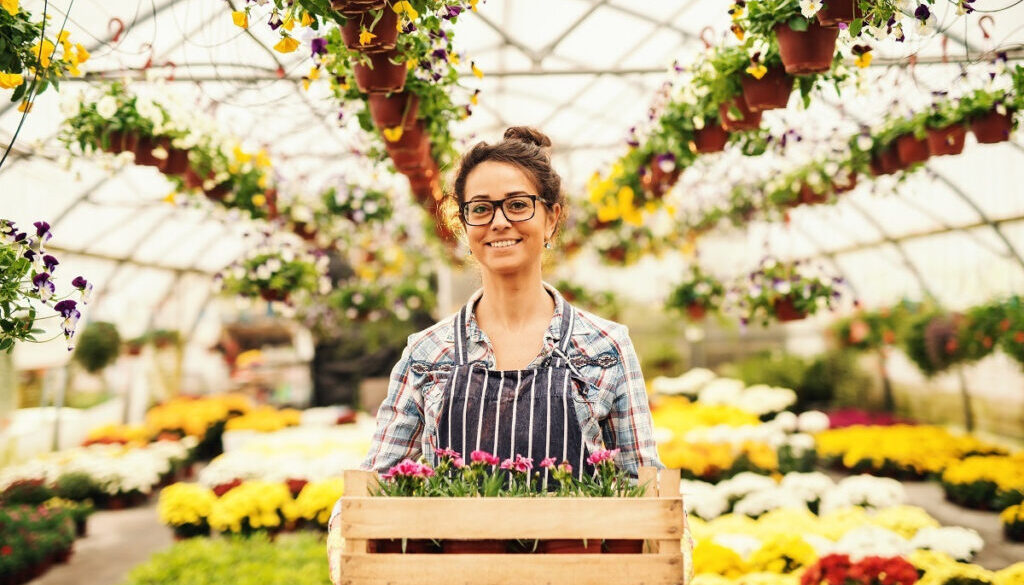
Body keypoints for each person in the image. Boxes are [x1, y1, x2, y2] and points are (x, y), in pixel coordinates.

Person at [327, 126, 691, 582]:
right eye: (480, 209)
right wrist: (349, 545)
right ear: (464, 225)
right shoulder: (426, 354)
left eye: (518, 205)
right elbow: (371, 491)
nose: (499, 222)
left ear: (552, 218)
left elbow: (647, 492)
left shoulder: (605, 347)